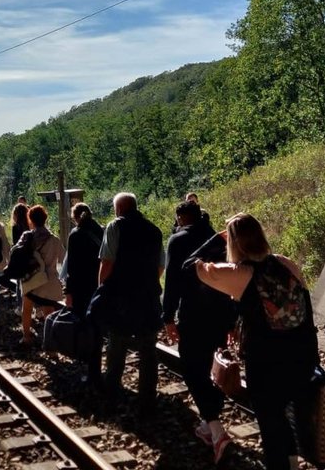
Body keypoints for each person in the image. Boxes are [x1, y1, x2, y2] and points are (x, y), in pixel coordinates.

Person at [194, 213, 318, 470]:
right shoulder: (287, 264)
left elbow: (192, 266)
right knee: (284, 416)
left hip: (267, 362)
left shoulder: (240, 274)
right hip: (303, 356)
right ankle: (292, 463)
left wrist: (213, 240)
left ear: (234, 243)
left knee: (270, 422)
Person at [162, 201, 235, 463]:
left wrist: (168, 316)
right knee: (213, 368)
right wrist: (232, 321)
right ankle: (207, 424)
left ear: (181, 217)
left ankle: (216, 431)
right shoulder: (218, 238)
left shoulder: (178, 240)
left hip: (193, 314)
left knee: (192, 370)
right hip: (219, 314)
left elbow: (172, 281)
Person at [97, 192, 163, 414]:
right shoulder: (154, 230)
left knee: (116, 346)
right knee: (148, 350)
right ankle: (147, 398)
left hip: (121, 297)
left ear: (119, 209)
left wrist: (102, 289)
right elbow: (160, 267)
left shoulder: (115, 227)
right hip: (147, 297)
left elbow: (107, 262)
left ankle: (112, 391)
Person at [62, 203, 104, 385]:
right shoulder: (101, 230)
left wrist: (68, 291)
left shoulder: (76, 234)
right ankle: (96, 368)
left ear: (75, 217)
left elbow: (72, 267)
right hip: (99, 287)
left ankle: (86, 368)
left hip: (81, 289)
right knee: (97, 328)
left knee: (83, 327)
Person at [20, 205, 64, 345]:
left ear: (30, 220)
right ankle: (50, 346)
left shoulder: (27, 237)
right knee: (49, 313)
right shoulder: (54, 240)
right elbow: (63, 259)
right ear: (45, 219)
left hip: (31, 279)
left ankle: (26, 337)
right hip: (49, 280)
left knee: (26, 308)